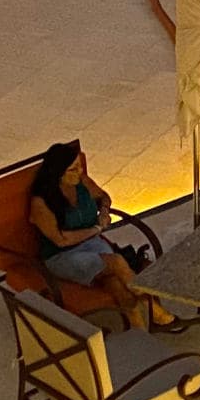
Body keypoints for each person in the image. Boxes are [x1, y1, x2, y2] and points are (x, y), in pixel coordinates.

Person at [27, 141, 173, 329]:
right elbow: (61, 240)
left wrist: (103, 211)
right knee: (117, 262)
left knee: (113, 281)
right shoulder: (41, 202)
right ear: (58, 174)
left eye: (79, 166)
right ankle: (153, 307)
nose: (80, 172)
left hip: (91, 243)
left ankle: (138, 328)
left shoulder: (82, 182)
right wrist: (96, 229)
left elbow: (104, 197)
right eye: (73, 169)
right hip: (62, 256)